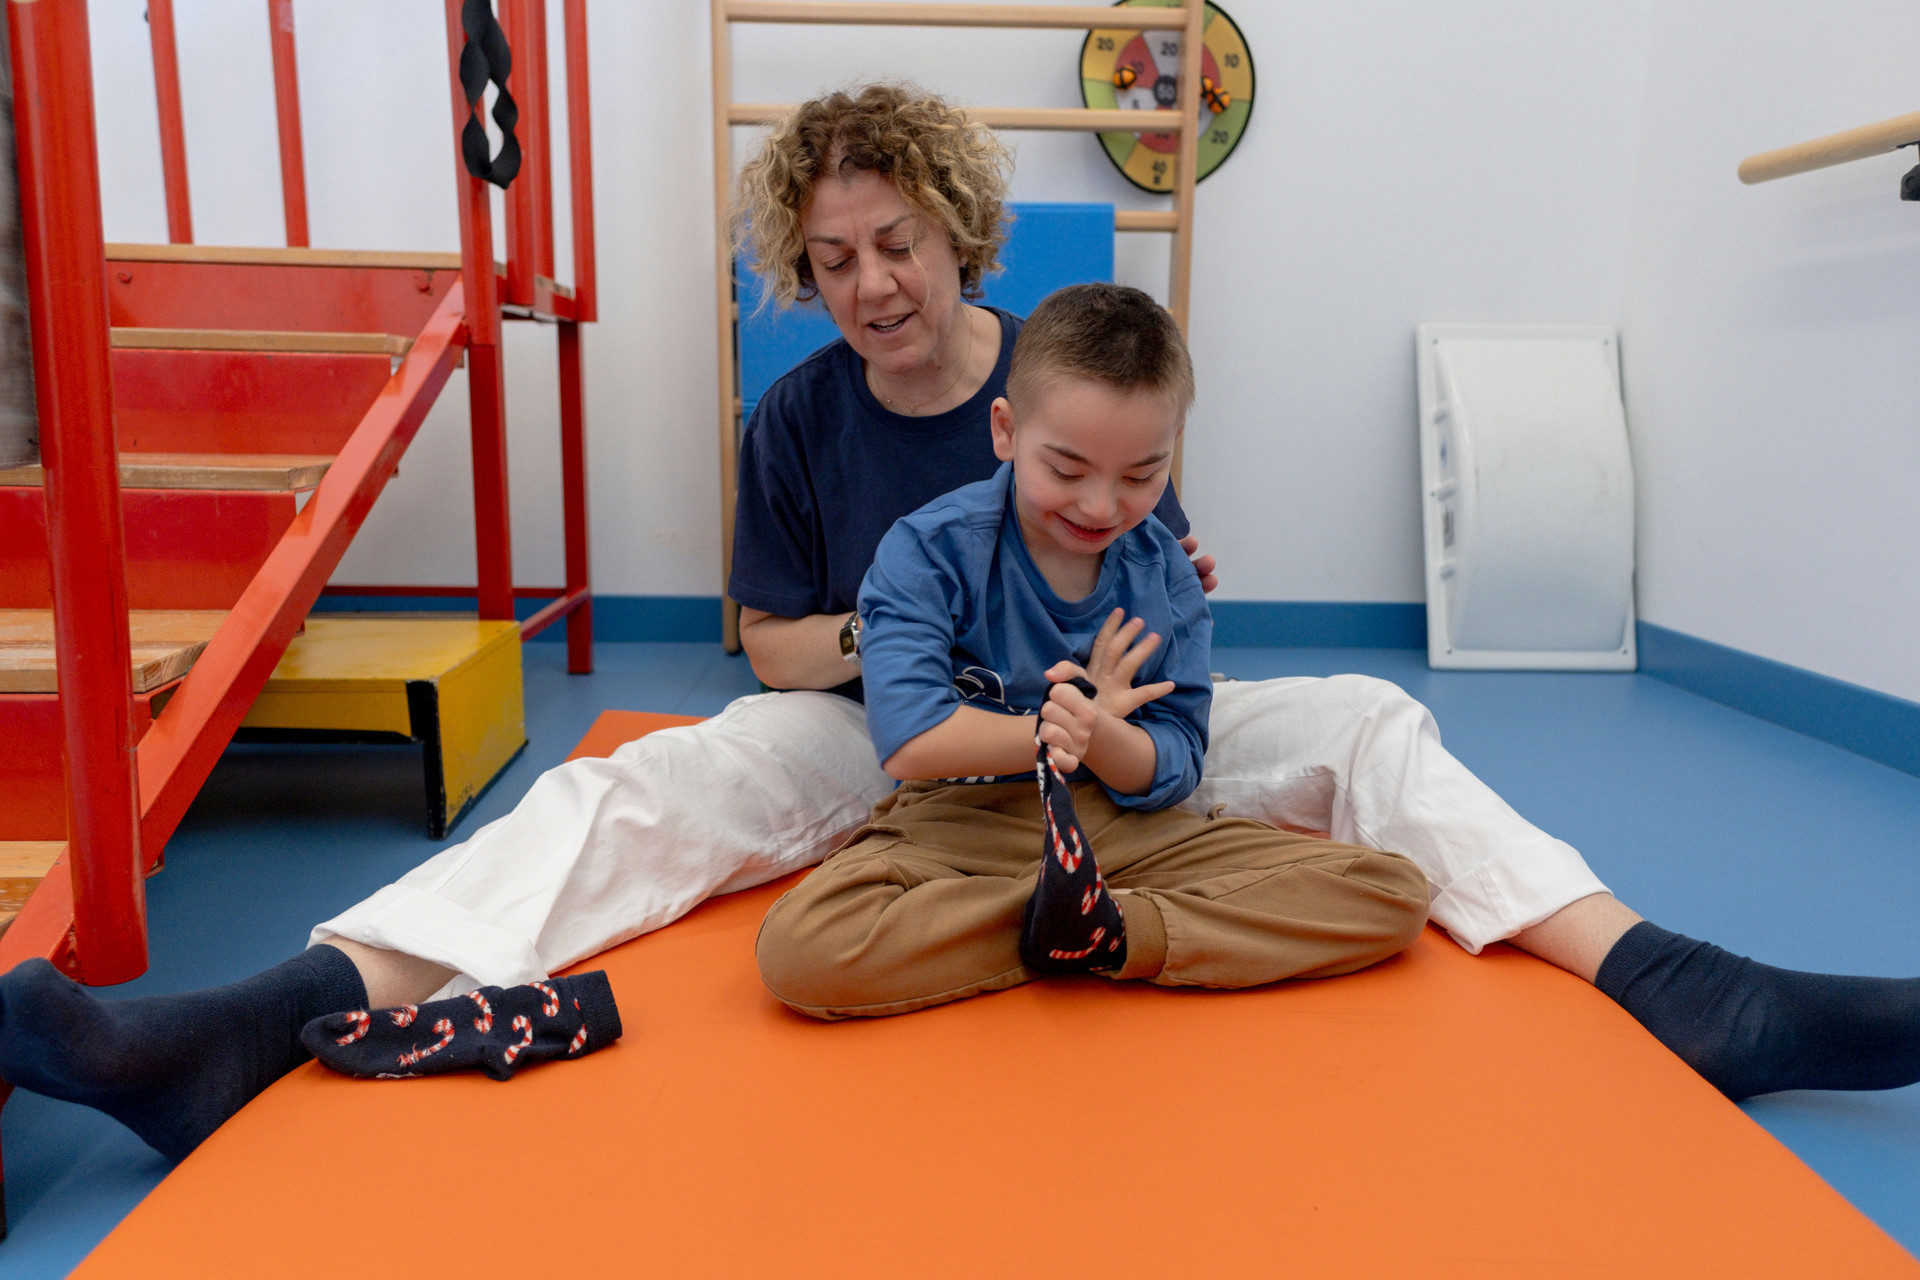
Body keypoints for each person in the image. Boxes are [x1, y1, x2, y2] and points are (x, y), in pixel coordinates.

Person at [3, 82, 1917, 1162]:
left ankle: (1679, 982)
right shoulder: (798, 419)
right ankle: (261, 1020)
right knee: (633, 794)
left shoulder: (1069, 377)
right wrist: (911, 638)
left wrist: (1150, 594)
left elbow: (1149, 551)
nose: (869, 286)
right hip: (896, 733)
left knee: (1363, 720)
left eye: (895, 245)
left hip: (1103, 725)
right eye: (831, 260)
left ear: (954, 231)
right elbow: (771, 646)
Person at [755, 284, 1428, 1018]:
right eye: (1068, 472)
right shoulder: (927, 550)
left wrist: (1103, 737)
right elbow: (911, 740)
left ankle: (1106, 927)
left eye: (1140, 476)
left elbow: (1175, 764)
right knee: (803, 948)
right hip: (957, 824)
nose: (1101, 506)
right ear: (1006, 431)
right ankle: (1073, 916)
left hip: (1122, 827)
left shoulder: (1166, 575)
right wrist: (1056, 735)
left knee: (1390, 892)